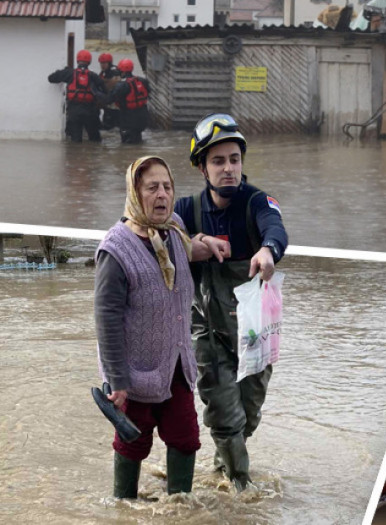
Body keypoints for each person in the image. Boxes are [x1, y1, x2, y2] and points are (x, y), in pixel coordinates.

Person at [95, 156, 230, 498]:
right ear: (134, 193)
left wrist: (206, 244)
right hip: (135, 375)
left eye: (167, 187)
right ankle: (122, 508)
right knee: (131, 445)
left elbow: (185, 251)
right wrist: (118, 381)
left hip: (176, 366)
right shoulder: (116, 250)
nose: (162, 195)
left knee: (186, 439)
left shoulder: (174, 230)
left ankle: (179, 510)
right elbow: (106, 320)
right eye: (152, 187)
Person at [174, 113, 288, 491]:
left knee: (247, 417)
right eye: (218, 161)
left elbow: (276, 229)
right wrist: (192, 246)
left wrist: (268, 251)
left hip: (255, 331)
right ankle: (243, 492)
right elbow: (145, 237)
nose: (229, 169)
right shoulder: (186, 211)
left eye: (234, 160)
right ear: (202, 168)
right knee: (225, 416)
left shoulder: (257, 202)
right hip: (207, 329)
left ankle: (221, 468)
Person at [47, 49, 104, 143]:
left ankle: (75, 156)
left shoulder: (69, 73)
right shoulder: (93, 75)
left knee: (75, 141)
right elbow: (103, 91)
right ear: (89, 62)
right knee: (95, 140)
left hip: (74, 110)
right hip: (90, 110)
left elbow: (51, 78)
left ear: (77, 60)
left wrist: (62, 71)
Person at [105, 59, 151, 144]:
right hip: (142, 118)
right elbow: (148, 92)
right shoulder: (142, 81)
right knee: (138, 140)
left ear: (122, 71)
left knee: (127, 145)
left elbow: (108, 100)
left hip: (128, 119)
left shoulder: (122, 85)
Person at [98, 53, 121, 131]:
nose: (102, 65)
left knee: (112, 126)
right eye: (101, 63)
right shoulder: (103, 73)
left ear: (109, 63)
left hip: (115, 105)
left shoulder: (115, 72)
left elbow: (114, 85)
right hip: (108, 104)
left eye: (104, 63)